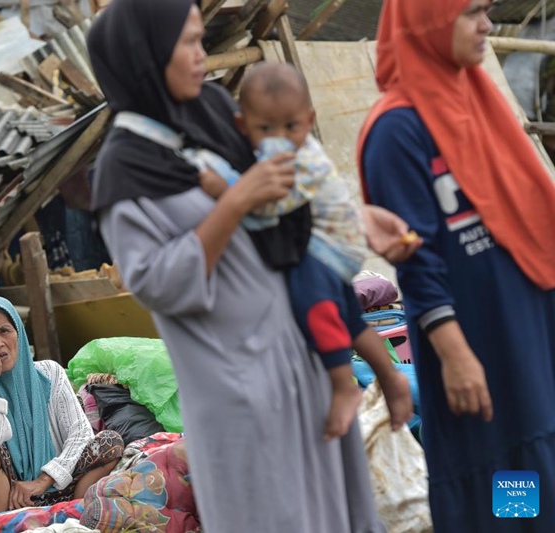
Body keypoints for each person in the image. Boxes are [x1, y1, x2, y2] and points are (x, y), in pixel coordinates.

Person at [87, 0, 417, 531]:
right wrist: (234, 204)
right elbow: (158, 284)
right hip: (236, 384)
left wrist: (354, 219)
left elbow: (285, 200)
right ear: (144, 56)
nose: (203, 55)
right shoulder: (124, 170)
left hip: (301, 357)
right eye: (188, 43)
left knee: (335, 512)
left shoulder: (215, 113)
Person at [358, 0, 555, 531]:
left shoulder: (480, 103)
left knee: (533, 445)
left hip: (527, 328)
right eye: (471, 12)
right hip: (474, 342)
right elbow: (417, 262)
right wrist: (456, 353)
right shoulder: (396, 132)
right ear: (428, 21)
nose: (487, 25)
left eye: (487, 10)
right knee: (497, 460)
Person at [194, 61, 413, 440]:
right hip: (325, 240)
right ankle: (390, 376)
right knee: (349, 316)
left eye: (291, 127)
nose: (280, 137)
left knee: (312, 303)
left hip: (331, 245)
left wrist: (222, 187)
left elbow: (265, 208)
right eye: (266, 128)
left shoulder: (303, 160)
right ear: (243, 126)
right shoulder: (282, 151)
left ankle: (343, 382)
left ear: (309, 120)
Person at [0, 296, 123, 518]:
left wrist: (43, 481)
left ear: (18, 332)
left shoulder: (50, 373)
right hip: (5, 499)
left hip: (57, 489)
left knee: (109, 442)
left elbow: (80, 433)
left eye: (4, 331)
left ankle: (74, 519)